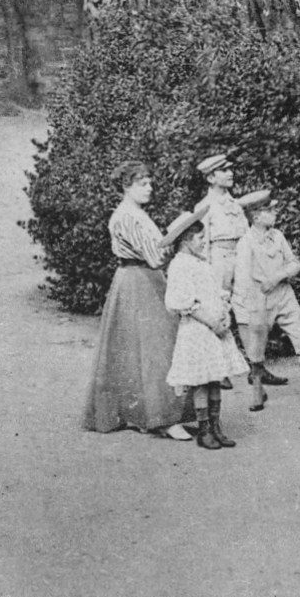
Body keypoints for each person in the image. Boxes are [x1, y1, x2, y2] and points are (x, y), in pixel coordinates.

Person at [82, 161, 189, 440]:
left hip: (145, 278)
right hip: (137, 280)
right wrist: (176, 243)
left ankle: (162, 412)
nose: (149, 188)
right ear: (126, 186)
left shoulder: (139, 214)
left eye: (150, 183)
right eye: (142, 184)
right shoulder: (127, 216)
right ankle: (160, 417)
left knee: (156, 343)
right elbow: (155, 257)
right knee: (150, 345)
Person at [232, 193, 300, 411]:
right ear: (256, 217)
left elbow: (294, 264)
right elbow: (242, 279)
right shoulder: (245, 243)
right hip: (259, 299)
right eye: (270, 210)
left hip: (284, 295)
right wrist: (249, 305)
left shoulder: (278, 236)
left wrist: (276, 277)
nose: (275, 213)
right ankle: (257, 389)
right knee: (256, 345)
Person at [195, 153, 284, 388]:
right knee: (219, 311)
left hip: (241, 258)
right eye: (224, 170)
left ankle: (257, 367)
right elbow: (203, 243)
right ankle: (218, 369)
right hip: (219, 260)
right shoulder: (204, 207)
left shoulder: (236, 204)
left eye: (229, 169)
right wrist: (205, 272)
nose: (230, 173)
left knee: (251, 310)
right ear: (211, 177)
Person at [162, 214, 248, 451]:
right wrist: (211, 321)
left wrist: (225, 315)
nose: (203, 242)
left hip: (215, 328)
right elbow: (182, 301)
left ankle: (216, 425)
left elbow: (216, 293)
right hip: (198, 329)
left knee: (214, 378)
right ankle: (204, 429)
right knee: (201, 380)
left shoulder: (201, 262)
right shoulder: (179, 264)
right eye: (200, 238)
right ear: (187, 240)